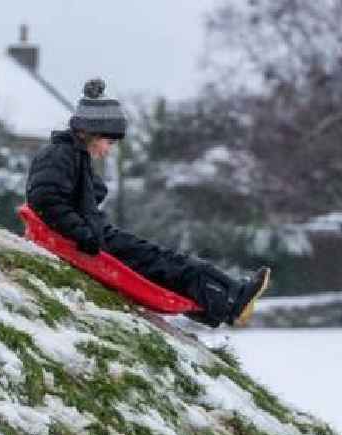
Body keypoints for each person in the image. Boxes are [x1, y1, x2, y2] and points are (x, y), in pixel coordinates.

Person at [25, 78, 270, 327]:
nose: (108, 150)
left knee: (162, 258)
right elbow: (45, 199)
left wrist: (90, 201)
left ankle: (230, 297)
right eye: (108, 143)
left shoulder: (73, 156)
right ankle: (230, 301)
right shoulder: (59, 155)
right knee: (161, 263)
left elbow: (65, 199)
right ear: (91, 132)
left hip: (97, 235)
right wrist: (82, 234)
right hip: (94, 240)